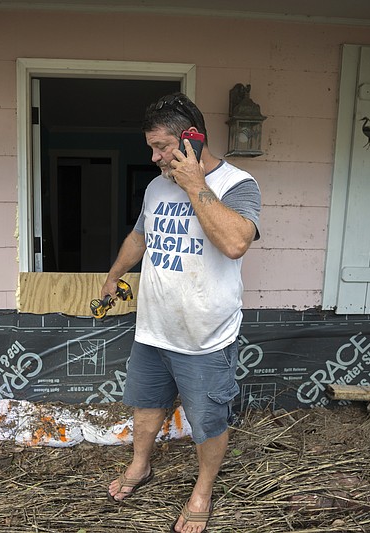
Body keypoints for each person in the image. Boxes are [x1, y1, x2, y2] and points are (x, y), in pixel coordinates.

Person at [102, 92, 261, 533]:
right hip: (154, 328)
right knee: (146, 407)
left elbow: (234, 244)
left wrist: (194, 183)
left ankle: (203, 491)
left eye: (162, 147)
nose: (154, 157)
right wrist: (114, 274)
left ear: (193, 138)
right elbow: (141, 236)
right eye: (151, 147)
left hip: (205, 335)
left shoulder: (238, 185)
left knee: (207, 420)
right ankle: (140, 466)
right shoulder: (156, 186)